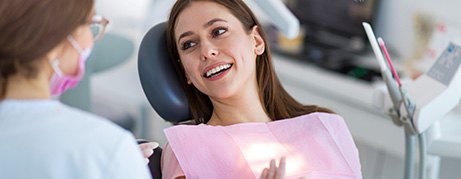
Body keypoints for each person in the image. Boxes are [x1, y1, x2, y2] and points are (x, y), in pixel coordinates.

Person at [160, 0, 362, 179]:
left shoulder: (326, 126)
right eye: (189, 44)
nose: (207, 51)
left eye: (218, 31)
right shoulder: (187, 149)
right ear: (185, 72)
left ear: (256, 41)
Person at [0, 0, 155, 178]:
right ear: (52, 42)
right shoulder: (106, 146)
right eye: (90, 24)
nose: (91, 40)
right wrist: (118, 161)